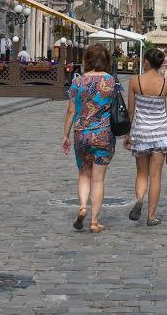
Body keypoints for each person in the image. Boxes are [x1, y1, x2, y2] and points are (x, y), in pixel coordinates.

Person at [125, 48, 167, 226]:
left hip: (141, 134)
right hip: (161, 134)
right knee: (156, 176)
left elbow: (131, 111)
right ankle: (151, 216)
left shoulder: (135, 81)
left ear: (146, 62)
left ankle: (139, 200)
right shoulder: (166, 84)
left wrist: (127, 134)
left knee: (141, 174)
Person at [61, 44, 117, 233]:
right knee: (98, 180)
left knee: (84, 173)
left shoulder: (78, 82)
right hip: (103, 134)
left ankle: (83, 206)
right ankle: (94, 222)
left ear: (87, 60)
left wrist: (65, 135)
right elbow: (118, 109)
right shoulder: (111, 81)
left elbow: (71, 110)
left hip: (82, 135)